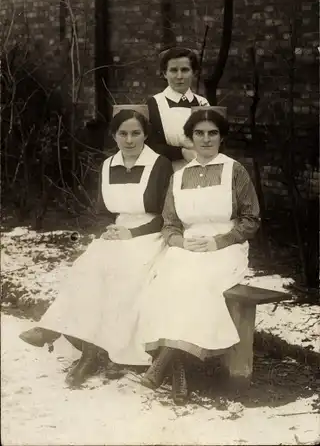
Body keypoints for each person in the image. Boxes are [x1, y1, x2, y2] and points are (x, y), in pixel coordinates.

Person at [19, 105, 173, 388]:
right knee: (85, 269)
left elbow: (167, 215)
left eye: (136, 133)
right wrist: (109, 230)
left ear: (145, 135)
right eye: (123, 133)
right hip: (117, 233)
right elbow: (101, 211)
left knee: (122, 275)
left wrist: (132, 232)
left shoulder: (159, 164)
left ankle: (86, 350)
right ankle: (71, 340)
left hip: (151, 234)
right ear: (114, 135)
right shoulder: (108, 165)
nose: (129, 140)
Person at [138, 106, 260, 405]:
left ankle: (165, 362)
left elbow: (251, 220)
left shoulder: (235, 171)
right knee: (163, 283)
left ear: (221, 137)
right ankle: (179, 370)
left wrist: (220, 241)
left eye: (212, 133)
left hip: (225, 249)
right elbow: (169, 223)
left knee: (199, 284)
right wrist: (180, 242)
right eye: (199, 134)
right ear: (190, 138)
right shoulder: (179, 176)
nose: (206, 139)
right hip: (187, 248)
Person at [147, 46, 209, 170]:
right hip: (167, 172)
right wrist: (182, 152)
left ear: (194, 72)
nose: (179, 76)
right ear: (165, 73)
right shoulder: (155, 103)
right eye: (174, 70)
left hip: (201, 171)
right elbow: (149, 145)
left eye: (185, 70)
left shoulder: (203, 103)